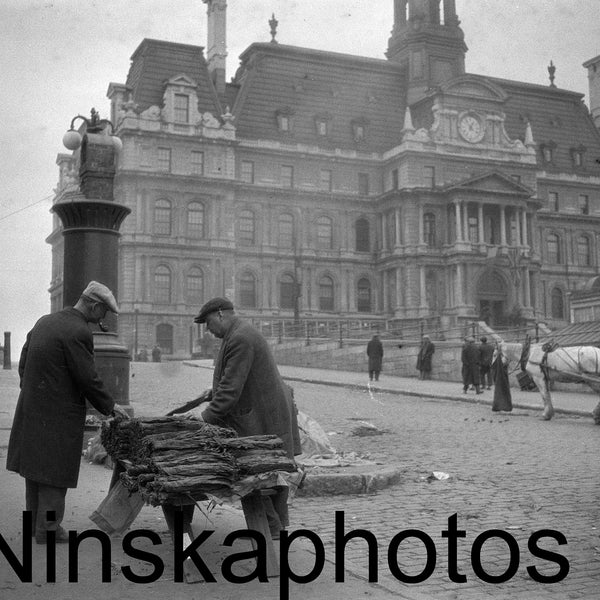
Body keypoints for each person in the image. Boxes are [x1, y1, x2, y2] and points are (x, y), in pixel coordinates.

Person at [6, 281, 130, 544]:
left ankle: (35, 526)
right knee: (54, 472)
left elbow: (24, 361)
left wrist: (34, 392)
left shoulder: (44, 321)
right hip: (58, 415)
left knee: (35, 470)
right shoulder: (79, 331)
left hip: (32, 408)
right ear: (94, 305)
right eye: (103, 312)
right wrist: (111, 407)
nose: (102, 319)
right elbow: (87, 378)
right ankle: (48, 531)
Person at [188, 297, 301, 538]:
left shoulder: (240, 337)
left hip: (262, 415)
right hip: (260, 411)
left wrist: (204, 418)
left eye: (208, 323)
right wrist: (212, 393)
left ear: (220, 314)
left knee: (252, 470)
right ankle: (274, 528)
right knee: (263, 471)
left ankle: (270, 529)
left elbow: (230, 391)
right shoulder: (236, 333)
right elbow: (233, 378)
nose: (208, 329)